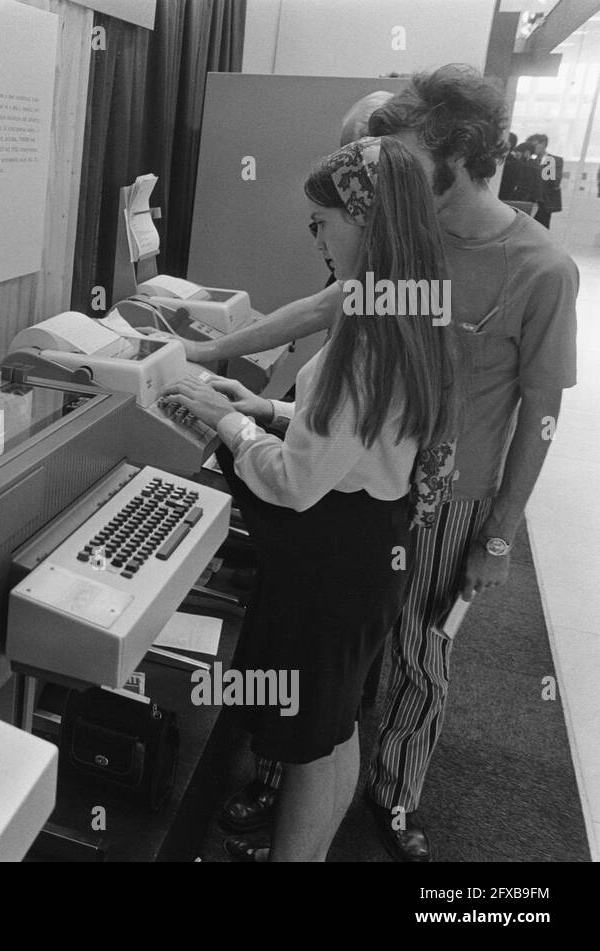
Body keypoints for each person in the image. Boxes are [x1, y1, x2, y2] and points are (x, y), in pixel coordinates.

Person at [184, 65, 579, 862]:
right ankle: (300, 796)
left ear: (454, 154)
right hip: (373, 491)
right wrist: (225, 361)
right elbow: (331, 318)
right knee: (337, 697)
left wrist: (498, 536)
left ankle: (391, 805)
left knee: (410, 668)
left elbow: (541, 412)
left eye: (399, 153)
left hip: (430, 498)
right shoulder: (410, 255)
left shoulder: (539, 269)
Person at [162, 136, 460, 862]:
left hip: (332, 568)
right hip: (374, 549)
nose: (318, 238)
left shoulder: (366, 333)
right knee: (334, 731)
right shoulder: (413, 304)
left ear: (365, 220)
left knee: (306, 746)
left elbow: (293, 481)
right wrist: (264, 412)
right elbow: (361, 437)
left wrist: (221, 419)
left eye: (321, 221)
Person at [526, 134, 564, 229]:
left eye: (534, 145)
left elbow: (555, 181)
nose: (533, 148)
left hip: (544, 202)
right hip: (528, 200)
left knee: (542, 229)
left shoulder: (555, 160)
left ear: (543, 144)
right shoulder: (529, 160)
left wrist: (545, 164)